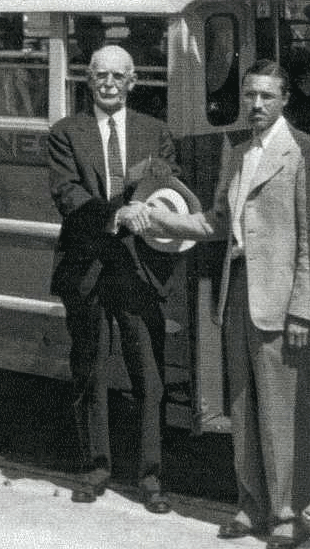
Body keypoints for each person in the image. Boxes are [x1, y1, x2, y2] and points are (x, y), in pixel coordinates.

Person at [129, 59, 310, 548]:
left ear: (285, 100)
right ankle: (251, 505)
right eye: (249, 96)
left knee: (285, 411)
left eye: (266, 96)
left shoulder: (306, 154)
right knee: (242, 407)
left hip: (281, 302)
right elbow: (216, 224)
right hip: (237, 288)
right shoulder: (237, 153)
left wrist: (302, 310)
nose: (255, 105)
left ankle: (289, 512)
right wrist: (155, 219)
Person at [47, 44, 178, 515]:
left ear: (133, 80)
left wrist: (150, 200)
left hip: (140, 270)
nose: (108, 84)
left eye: (118, 76)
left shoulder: (155, 132)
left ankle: (151, 478)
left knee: (150, 377)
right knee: (90, 372)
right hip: (87, 269)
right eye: (100, 75)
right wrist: (119, 212)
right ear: (88, 80)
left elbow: (169, 183)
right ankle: (95, 468)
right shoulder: (66, 134)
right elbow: (69, 195)